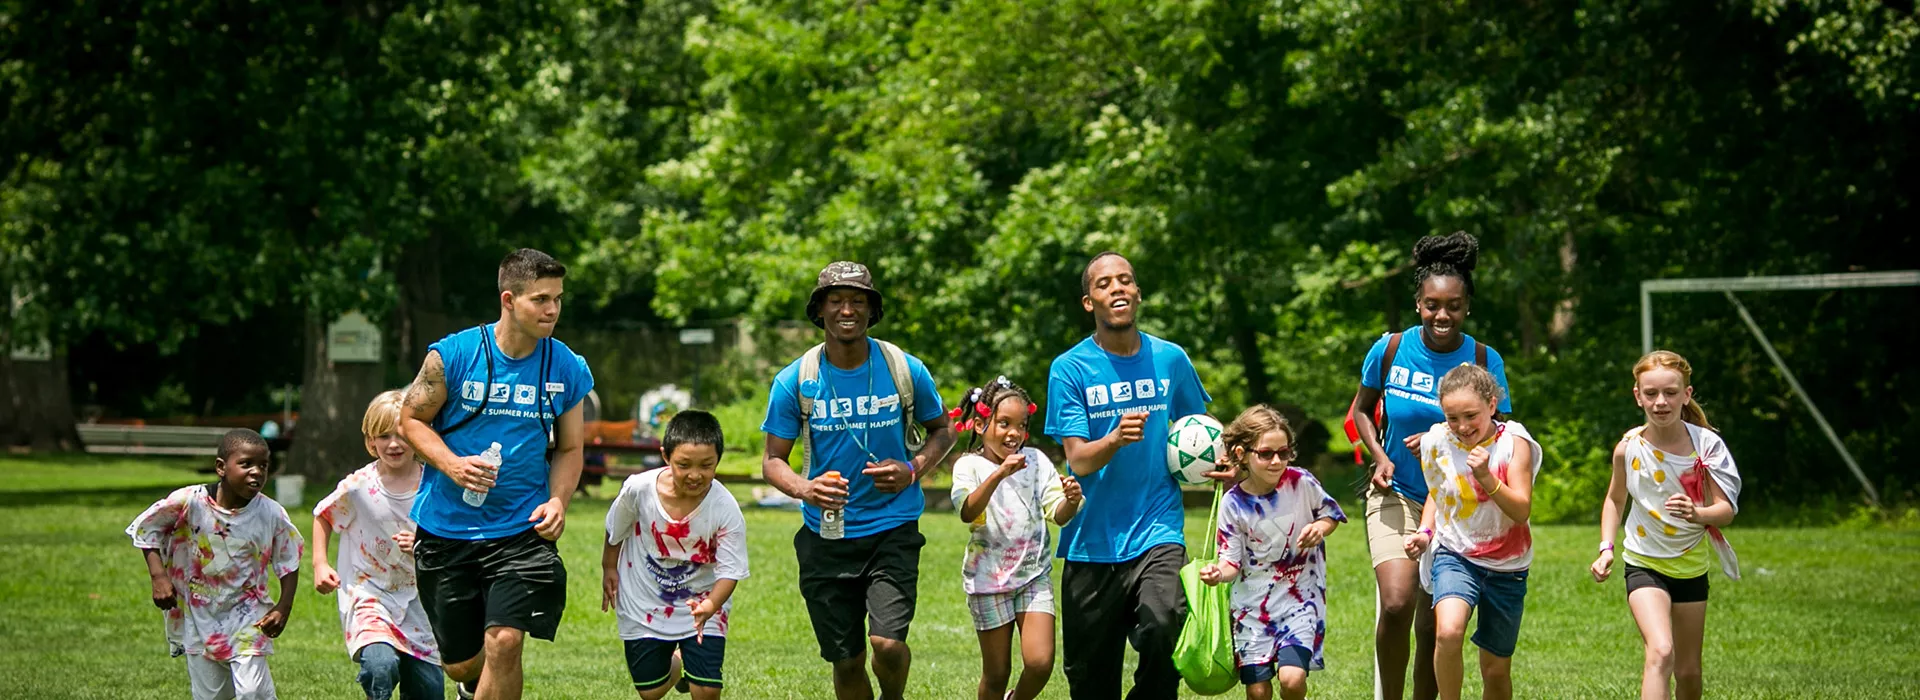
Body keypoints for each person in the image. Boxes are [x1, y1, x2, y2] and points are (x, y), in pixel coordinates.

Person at [397, 248, 596, 700]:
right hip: (447, 529)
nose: (552, 310)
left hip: (521, 529)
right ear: (509, 299)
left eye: (558, 299)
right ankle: (472, 685)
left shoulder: (566, 365)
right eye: (540, 299)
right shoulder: (453, 355)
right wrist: (452, 464)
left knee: (505, 642)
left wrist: (558, 500)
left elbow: (569, 448)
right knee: (462, 664)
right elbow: (410, 420)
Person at [759, 261, 957, 700]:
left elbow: (944, 429)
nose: (846, 310)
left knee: (887, 644)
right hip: (825, 535)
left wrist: (912, 469)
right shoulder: (795, 379)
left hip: (892, 528)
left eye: (857, 301)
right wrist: (807, 489)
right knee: (846, 660)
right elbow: (772, 461)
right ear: (820, 310)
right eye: (836, 300)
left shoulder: (904, 368)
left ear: (872, 310)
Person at [1045, 251, 1225, 699]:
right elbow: (1079, 459)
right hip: (1092, 541)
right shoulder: (1069, 368)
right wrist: (1114, 439)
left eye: (1125, 280)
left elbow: (1199, 430)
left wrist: (1225, 457)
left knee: (1166, 625)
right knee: (1090, 683)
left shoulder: (1170, 358)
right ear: (1089, 302)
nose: (1117, 289)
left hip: (1157, 528)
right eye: (1104, 284)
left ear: (1138, 293)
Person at [1347, 231, 1511, 700]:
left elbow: (1502, 432)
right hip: (1396, 491)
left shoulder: (1484, 359)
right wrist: (1380, 457)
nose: (1443, 315)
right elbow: (1361, 411)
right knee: (1397, 603)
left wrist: (1444, 438)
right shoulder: (1390, 349)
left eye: (1454, 306)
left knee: (1434, 621)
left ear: (1467, 308)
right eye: (1432, 305)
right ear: (1418, 304)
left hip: (1456, 503)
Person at [1589, 350, 1742, 700]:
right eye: (1651, 393)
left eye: (1671, 393)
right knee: (1660, 652)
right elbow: (1615, 500)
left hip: (1690, 567)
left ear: (1686, 395)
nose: (1661, 402)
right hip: (1644, 562)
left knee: (1688, 672)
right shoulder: (1628, 448)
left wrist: (1698, 514)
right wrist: (1606, 548)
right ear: (1637, 396)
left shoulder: (1706, 446)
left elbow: (1726, 511)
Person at [127, 429, 303, 700]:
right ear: (221, 467)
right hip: (200, 616)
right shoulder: (190, 502)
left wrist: (284, 606)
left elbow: (289, 559)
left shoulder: (270, 513)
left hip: (248, 615)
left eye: (263, 465)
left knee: (254, 692)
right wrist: (158, 577)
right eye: (246, 464)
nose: (256, 472)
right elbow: (147, 528)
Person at [1402, 364, 1540, 700]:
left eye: (1471, 416)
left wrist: (1487, 478)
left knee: (1495, 671)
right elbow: (1440, 492)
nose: (1462, 427)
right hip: (1456, 554)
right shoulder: (1438, 440)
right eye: (1452, 418)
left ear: (1492, 405)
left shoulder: (1514, 443)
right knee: (1448, 633)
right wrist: (1425, 531)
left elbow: (1521, 510)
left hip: (1508, 567)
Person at [948, 377, 1085, 700]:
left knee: (1040, 663)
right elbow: (968, 511)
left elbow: (1058, 514)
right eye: (1004, 423)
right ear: (980, 425)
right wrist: (999, 474)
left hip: (1032, 577)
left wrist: (1071, 500)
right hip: (988, 581)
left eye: (1021, 425)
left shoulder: (1035, 461)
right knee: (996, 674)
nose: (1014, 433)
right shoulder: (969, 466)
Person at [1199, 405, 1345, 700]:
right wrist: (1217, 573)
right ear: (1241, 454)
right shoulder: (1233, 504)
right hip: (1251, 610)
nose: (1277, 461)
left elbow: (1330, 514)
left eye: (1284, 452)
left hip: (1299, 602)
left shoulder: (1301, 482)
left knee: (1292, 679)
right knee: (1257, 691)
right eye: (1266, 453)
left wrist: (1320, 528)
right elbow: (1231, 563)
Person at [602, 410, 749, 700]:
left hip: (704, 600)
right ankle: (679, 662)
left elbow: (730, 571)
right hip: (645, 599)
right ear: (665, 456)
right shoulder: (639, 489)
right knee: (650, 692)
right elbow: (615, 527)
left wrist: (710, 606)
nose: (695, 475)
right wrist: (608, 567)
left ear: (718, 460)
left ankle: (694, 661)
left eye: (706, 465)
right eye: (684, 465)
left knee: (706, 689)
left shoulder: (725, 508)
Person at [312, 390, 444, 699]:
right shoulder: (359, 487)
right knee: (379, 666)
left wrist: (423, 542)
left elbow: (453, 536)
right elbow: (324, 515)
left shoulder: (435, 486)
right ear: (371, 441)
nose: (394, 444)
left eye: (402, 435)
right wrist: (320, 563)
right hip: (370, 595)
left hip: (421, 601)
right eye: (384, 436)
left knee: (428, 690)